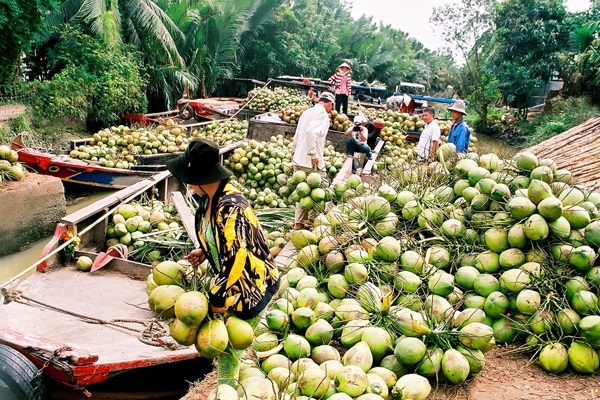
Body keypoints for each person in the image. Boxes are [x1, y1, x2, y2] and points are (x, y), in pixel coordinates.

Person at [166, 138, 280, 319]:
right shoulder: (209, 199)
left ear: (198, 177)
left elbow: (237, 255)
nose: (188, 184)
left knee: (231, 344)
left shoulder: (231, 206)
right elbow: (223, 238)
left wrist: (217, 296)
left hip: (252, 287)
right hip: (232, 284)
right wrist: (206, 250)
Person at [291, 91, 335, 230]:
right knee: (319, 191)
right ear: (329, 104)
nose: (331, 110)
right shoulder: (322, 114)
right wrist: (313, 154)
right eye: (332, 107)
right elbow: (311, 133)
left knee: (303, 192)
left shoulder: (307, 112)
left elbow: (297, 134)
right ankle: (311, 221)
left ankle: (299, 223)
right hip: (310, 160)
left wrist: (294, 152)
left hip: (299, 159)